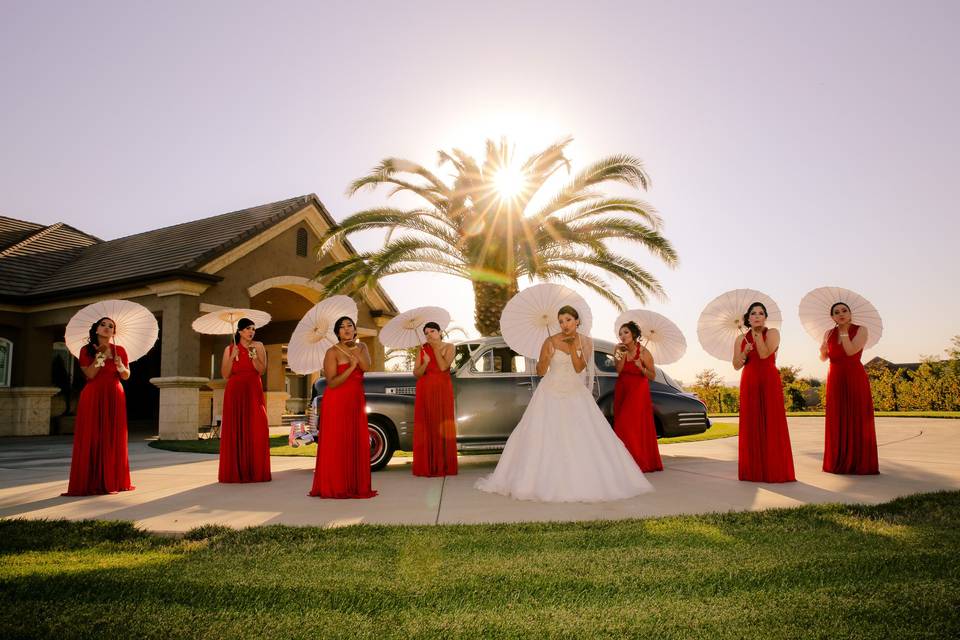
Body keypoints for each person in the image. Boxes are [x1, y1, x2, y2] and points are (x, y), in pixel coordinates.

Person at [476, 305, 652, 502]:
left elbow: (578, 368)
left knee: (585, 435)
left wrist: (570, 347)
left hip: (575, 392)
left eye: (568, 320)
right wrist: (547, 356)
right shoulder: (550, 340)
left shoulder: (586, 341)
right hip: (550, 391)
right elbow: (541, 371)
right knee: (542, 435)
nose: (564, 324)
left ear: (577, 321)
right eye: (560, 321)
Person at [63, 317, 135, 495]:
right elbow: (90, 374)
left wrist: (120, 366)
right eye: (103, 325)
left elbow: (126, 376)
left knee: (114, 436)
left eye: (111, 326)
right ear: (96, 329)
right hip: (94, 395)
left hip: (115, 395)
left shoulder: (121, 351)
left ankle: (114, 480)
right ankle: (91, 480)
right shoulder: (86, 350)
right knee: (93, 435)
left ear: (114, 332)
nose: (107, 328)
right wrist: (101, 355)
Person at [310, 316, 377, 498]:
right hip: (337, 402)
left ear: (355, 330)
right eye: (342, 327)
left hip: (356, 401)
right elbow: (331, 383)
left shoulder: (362, 347)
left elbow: (366, 367)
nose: (346, 329)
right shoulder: (332, 352)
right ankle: (336, 485)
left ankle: (354, 484)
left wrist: (354, 353)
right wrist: (349, 368)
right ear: (337, 332)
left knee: (354, 440)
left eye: (350, 326)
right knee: (338, 442)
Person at [732, 302, 796, 483]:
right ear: (748, 318)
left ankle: (775, 469)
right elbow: (736, 365)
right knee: (751, 422)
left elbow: (764, 354)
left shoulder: (773, 333)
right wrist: (744, 352)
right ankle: (752, 471)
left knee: (771, 421)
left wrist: (758, 337)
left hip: (768, 379)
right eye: (753, 313)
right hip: (749, 380)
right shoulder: (740, 339)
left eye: (761, 313)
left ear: (765, 317)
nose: (757, 316)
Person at [819, 302, 879, 474]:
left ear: (851, 313)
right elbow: (824, 358)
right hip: (835, 377)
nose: (841, 314)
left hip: (854, 376)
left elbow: (851, 351)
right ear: (832, 317)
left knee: (856, 415)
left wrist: (844, 333)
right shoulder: (828, 333)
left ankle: (859, 462)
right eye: (836, 312)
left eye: (844, 311)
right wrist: (822, 350)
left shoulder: (861, 330)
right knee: (837, 417)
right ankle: (838, 461)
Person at [218, 318, 271, 483]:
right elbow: (225, 375)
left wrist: (253, 357)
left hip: (254, 390)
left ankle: (256, 470)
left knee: (258, 426)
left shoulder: (259, 346)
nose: (251, 331)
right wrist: (232, 357)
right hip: (235, 392)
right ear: (240, 331)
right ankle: (236, 471)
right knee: (236, 428)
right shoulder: (229, 349)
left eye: (253, 329)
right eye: (248, 328)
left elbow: (261, 371)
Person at [613, 321, 663, 472]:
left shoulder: (644, 352)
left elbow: (652, 376)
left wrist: (641, 367)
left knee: (627, 425)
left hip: (638, 391)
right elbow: (619, 370)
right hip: (622, 389)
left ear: (634, 334)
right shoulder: (619, 350)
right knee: (621, 423)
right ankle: (623, 463)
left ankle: (637, 462)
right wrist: (618, 353)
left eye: (626, 332)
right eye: (620, 333)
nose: (622, 336)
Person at [412, 321, 458, 477]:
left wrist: (436, 349)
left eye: (432, 331)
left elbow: (444, 366)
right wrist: (424, 363)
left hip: (442, 389)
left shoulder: (450, 347)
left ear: (439, 332)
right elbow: (417, 373)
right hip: (425, 390)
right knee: (428, 424)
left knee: (442, 423)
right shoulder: (422, 349)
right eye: (426, 333)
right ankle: (428, 464)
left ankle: (443, 465)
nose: (429, 334)